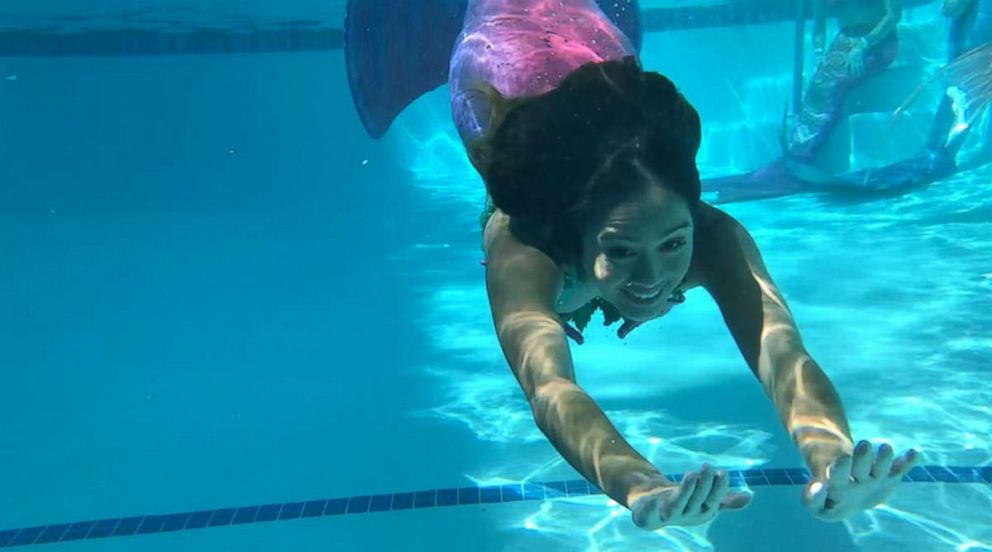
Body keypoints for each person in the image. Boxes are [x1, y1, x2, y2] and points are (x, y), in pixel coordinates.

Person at [345, 0, 918, 530]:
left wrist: (834, 458)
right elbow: (549, 388)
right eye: (619, 251)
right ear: (574, 237)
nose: (651, 280)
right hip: (500, 54)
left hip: (583, 52)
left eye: (673, 244)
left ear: (694, 215)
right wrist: (640, 486)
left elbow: (784, 353)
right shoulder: (522, 247)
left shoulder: (713, 236)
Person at [705, 0, 904, 202]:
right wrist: (819, 53)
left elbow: (893, 15)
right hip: (845, 40)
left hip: (879, 41)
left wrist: (865, 44)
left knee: (833, 83)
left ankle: (799, 160)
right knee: (818, 87)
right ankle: (795, 158)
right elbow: (819, 25)